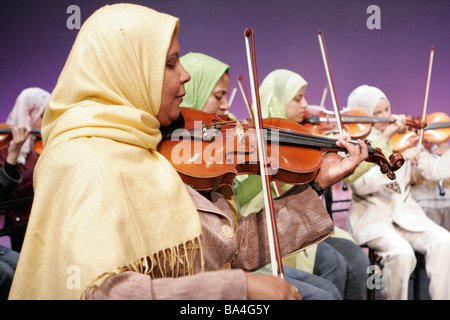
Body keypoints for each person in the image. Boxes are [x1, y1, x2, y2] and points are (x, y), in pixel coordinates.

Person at [9, 4, 366, 300]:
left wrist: (316, 181)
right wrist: (237, 289)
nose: (186, 75)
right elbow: (100, 293)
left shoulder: (154, 150)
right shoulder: (82, 161)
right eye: (169, 64)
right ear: (126, 72)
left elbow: (232, 247)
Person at [179, 52, 343, 300]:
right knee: (326, 289)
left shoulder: (227, 136)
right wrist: (262, 168)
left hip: (253, 244)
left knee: (333, 281)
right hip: (226, 269)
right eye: (218, 96)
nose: (226, 105)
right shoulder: (184, 159)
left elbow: (237, 239)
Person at [234, 69, 371, 300]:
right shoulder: (249, 141)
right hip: (263, 227)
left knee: (356, 259)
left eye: (304, 97)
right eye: (297, 98)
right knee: (335, 267)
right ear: (277, 99)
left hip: (299, 216)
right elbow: (242, 196)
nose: (306, 105)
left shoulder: (299, 138)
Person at [344, 84, 450, 300]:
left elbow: (436, 171)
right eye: (377, 113)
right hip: (372, 219)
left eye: (386, 110)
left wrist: (438, 146)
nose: (385, 116)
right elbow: (361, 185)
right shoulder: (358, 144)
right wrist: (395, 155)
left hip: (407, 215)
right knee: (402, 254)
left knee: (444, 241)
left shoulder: (404, 137)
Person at [0, 87, 49, 299]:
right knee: (14, 277)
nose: (48, 120)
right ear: (30, 114)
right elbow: (5, 194)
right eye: (44, 115)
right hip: (22, 223)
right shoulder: (5, 147)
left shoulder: (37, 146)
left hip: (40, 220)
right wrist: (13, 155)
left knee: (35, 274)